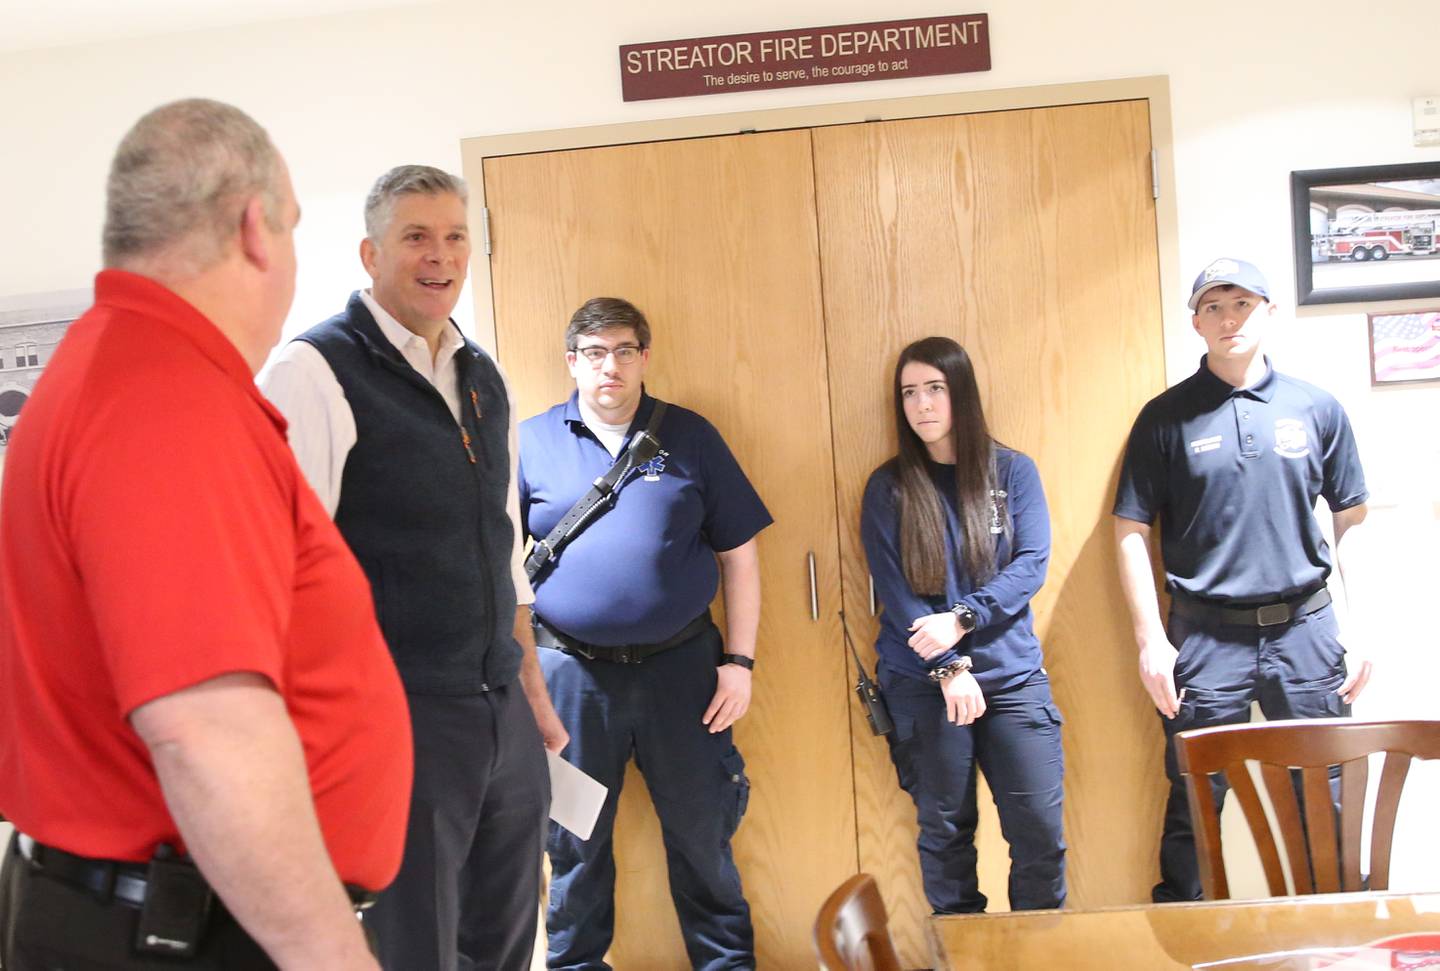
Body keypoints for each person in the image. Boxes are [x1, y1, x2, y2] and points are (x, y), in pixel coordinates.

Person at [0, 99, 410, 970]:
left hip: (161, 912)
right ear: (256, 228)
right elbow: (207, 730)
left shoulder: (116, 367)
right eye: (294, 230)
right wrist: (330, 953)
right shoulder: (164, 399)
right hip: (187, 931)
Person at [259, 165, 564, 970]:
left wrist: (528, 682)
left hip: (500, 709)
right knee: (412, 943)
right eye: (416, 237)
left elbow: (502, 541)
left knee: (506, 937)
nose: (441, 256)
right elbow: (280, 572)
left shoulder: (480, 376)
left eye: (455, 236)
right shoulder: (313, 372)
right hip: (394, 712)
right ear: (370, 252)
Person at [518, 297, 771, 971]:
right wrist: (523, 676)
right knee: (573, 843)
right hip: (570, 677)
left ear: (644, 358)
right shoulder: (532, 441)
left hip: (683, 674)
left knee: (702, 835)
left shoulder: (691, 436)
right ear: (572, 360)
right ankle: (574, 965)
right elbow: (497, 566)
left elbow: (739, 555)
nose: (610, 365)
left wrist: (740, 662)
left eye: (625, 350)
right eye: (595, 352)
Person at [1113, 257, 1372, 903]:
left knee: (1326, 786)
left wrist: (1363, 627)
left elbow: (1352, 518)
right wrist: (1151, 641)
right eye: (1214, 307)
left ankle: (1339, 931)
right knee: (1195, 793)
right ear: (1196, 321)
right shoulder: (1164, 418)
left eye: (1242, 304)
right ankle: (1184, 935)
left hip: (1307, 631)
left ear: (1269, 312)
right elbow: (1129, 530)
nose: (1229, 319)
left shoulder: (1316, 407)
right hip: (1203, 636)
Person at [860, 335, 1066, 915]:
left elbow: (1031, 565)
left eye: (935, 389)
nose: (922, 405)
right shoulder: (890, 487)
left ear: (961, 395)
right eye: (909, 393)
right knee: (946, 837)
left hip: (1012, 679)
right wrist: (948, 665)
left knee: (1039, 839)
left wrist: (963, 617)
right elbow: (895, 591)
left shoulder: (1012, 472)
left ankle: (1039, 957)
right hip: (924, 685)